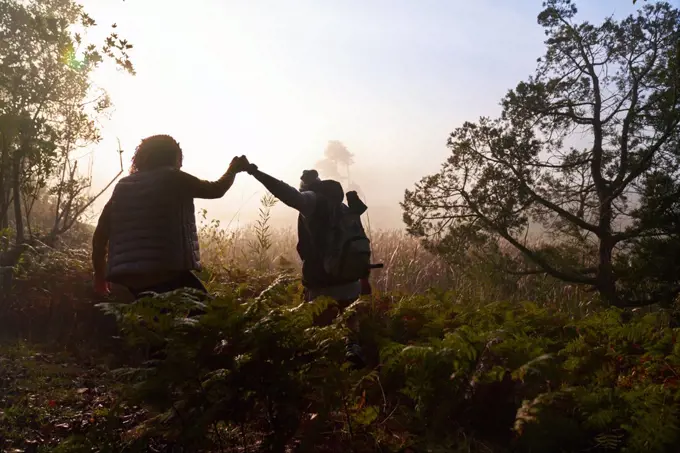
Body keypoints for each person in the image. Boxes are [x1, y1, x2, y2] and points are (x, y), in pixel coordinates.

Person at [240, 158, 373, 367]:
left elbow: (285, 193)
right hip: (352, 281)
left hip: (323, 283)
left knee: (320, 339)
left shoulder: (312, 201)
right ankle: (351, 357)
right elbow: (360, 244)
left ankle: (324, 376)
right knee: (349, 328)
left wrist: (254, 172)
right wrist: (364, 279)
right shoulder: (345, 206)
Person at [92, 134, 247, 300]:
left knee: (151, 318)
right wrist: (233, 169)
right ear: (173, 156)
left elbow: (100, 234)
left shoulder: (123, 186)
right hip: (163, 272)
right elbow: (216, 190)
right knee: (206, 314)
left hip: (126, 277)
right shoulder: (174, 178)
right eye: (180, 158)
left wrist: (99, 276)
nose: (181, 163)